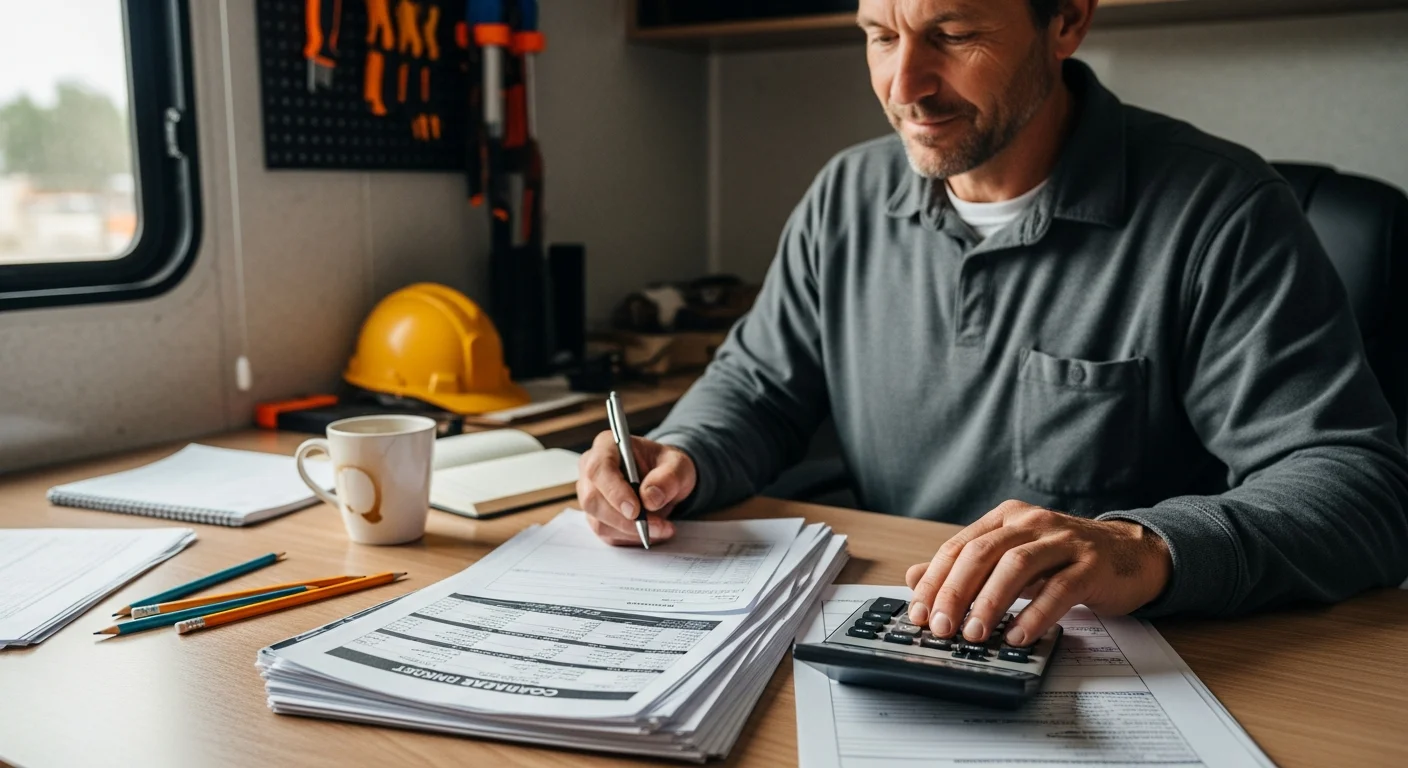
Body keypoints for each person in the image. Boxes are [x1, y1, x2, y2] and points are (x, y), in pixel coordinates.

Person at [575, 0, 1408, 650]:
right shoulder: (845, 198)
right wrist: (680, 455)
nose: (905, 86)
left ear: (1067, 22)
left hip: (1127, 661)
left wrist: (1142, 545)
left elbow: (1357, 487)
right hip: (889, 635)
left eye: (953, 33)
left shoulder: (1222, 213)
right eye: (878, 35)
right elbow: (757, 388)